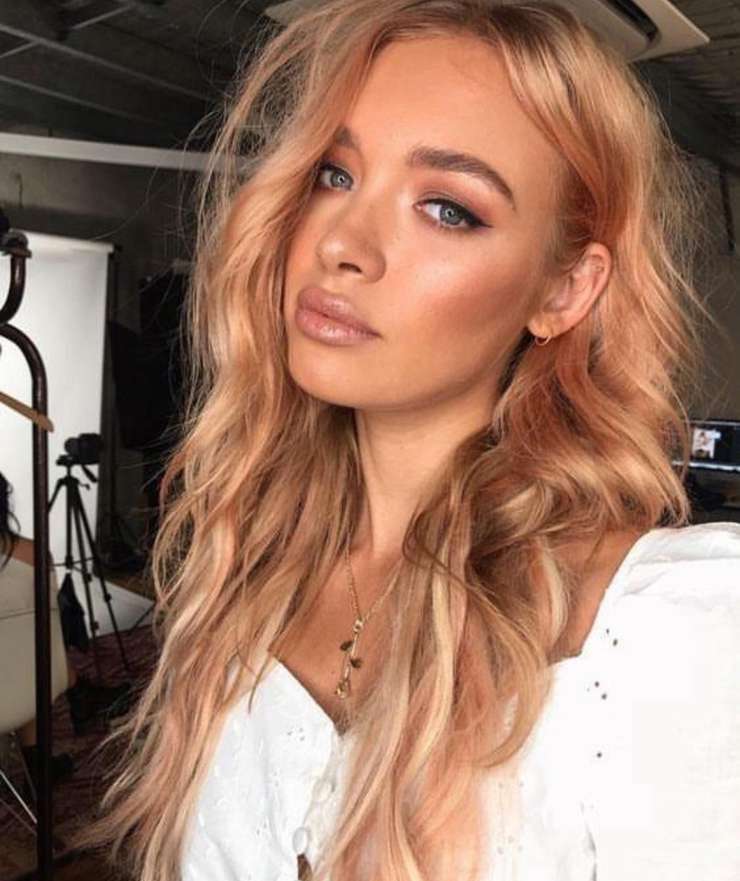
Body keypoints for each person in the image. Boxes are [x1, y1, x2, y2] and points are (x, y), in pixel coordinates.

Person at [74, 1, 740, 879]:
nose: (342, 243)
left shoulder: (673, 636)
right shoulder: (247, 563)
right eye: (334, 173)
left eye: (447, 209)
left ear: (564, 291)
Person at [0, 472, 132, 793]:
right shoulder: (34, 554)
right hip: (37, 687)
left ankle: (81, 697)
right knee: (23, 648)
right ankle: (40, 761)